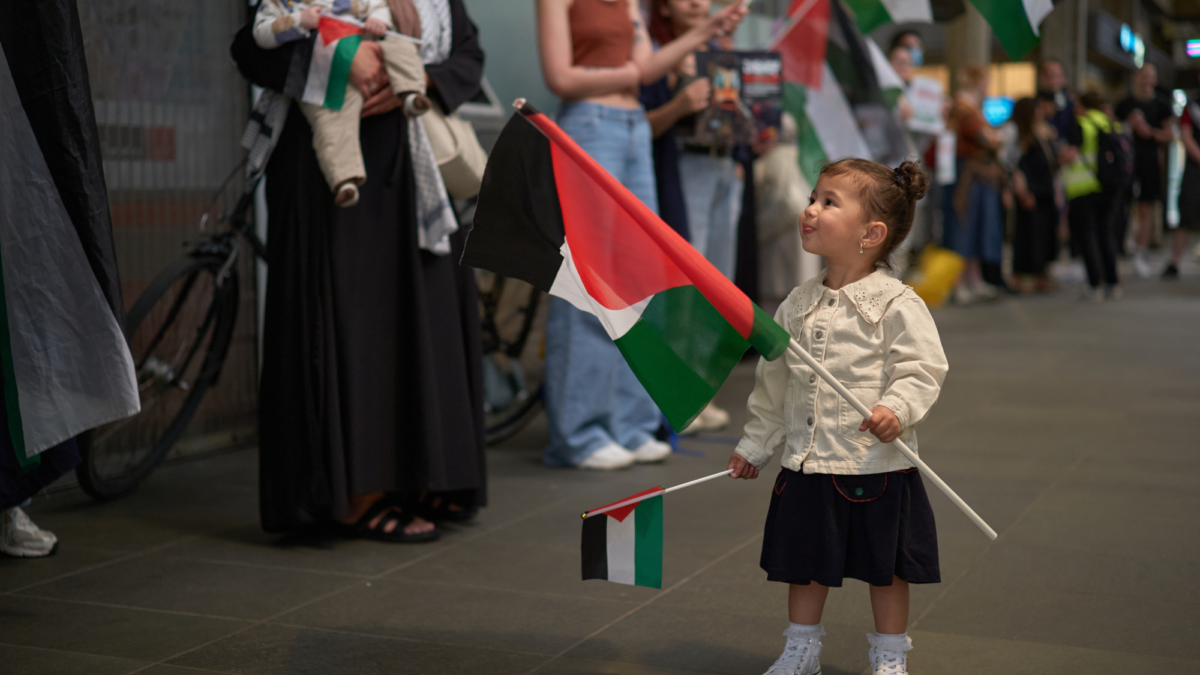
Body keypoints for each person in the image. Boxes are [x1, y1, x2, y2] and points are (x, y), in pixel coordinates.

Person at [232, 0, 488, 540]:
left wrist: (413, 79)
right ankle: (351, 494)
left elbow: (468, 54)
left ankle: (421, 476)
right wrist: (340, 63)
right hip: (330, 179)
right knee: (353, 330)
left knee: (425, 326)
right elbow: (251, 48)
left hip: (415, 168)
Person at [728, 159, 946, 675]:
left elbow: (922, 368)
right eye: (813, 196)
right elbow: (773, 384)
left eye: (829, 202)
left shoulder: (897, 303)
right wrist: (756, 445)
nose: (810, 210)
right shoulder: (796, 304)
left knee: (887, 569)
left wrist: (896, 409)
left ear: (871, 234)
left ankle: (890, 656)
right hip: (808, 464)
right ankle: (801, 650)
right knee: (804, 566)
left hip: (876, 466)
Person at [535, 0, 745, 470]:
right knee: (587, 279)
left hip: (630, 129)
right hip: (589, 124)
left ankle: (629, 423)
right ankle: (580, 433)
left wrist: (705, 31)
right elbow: (561, 78)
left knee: (639, 279)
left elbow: (648, 68)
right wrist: (630, 73)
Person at [253, 0, 430, 207]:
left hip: (370, 57)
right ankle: (344, 179)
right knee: (332, 124)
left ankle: (410, 93)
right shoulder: (281, 3)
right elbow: (261, 34)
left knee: (400, 46)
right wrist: (297, 21)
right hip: (325, 79)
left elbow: (379, 6)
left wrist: (378, 20)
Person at [944, 63, 1004, 303]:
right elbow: (985, 139)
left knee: (976, 227)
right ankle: (958, 284)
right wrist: (994, 139)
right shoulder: (964, 108)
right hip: (966, 177)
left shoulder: (970, 109)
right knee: (963, 226)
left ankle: (974, 280)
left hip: (974, 176)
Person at [1061, 91, 1122, 300]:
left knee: (1088, 235)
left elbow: (1071, 154)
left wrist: (1059, 157)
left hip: (1085, 186)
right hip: (1109, 186)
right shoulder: (1110, 123)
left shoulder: (1082, 124)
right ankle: (1113, 282)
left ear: (1082, 105)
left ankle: (1095, 283)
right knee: (1106, 233)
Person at [1116, 65, 1174, 277]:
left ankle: (1140, 252)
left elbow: (1170, 134)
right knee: (1122, 204)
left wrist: (1150, 132)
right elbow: (1113, 130)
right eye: (1144, 76)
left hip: (1149, 160)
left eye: (1151, 76)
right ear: (1136, 77)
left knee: (1146, 207)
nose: (1147, 80)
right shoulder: (1125, 104)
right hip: (1126, 162)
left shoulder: (1161, 105)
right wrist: (1128, 127)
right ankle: (1122, 245)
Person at [1010, 96, 1060, 294]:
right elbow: (1017, 166)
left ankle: (1041, 273)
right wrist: (1023, 191)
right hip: (1031, 193)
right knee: (1028, 235)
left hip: (1045, 192)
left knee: (1044, 235)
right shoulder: (1023, 136)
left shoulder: (1043, 133)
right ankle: (1022, 275)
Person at [1167, 97, 1200, 277]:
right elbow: (1185, 136)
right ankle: (1174, 261)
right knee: (1185, 215)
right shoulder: (1193, 107)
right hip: (1194, 170)